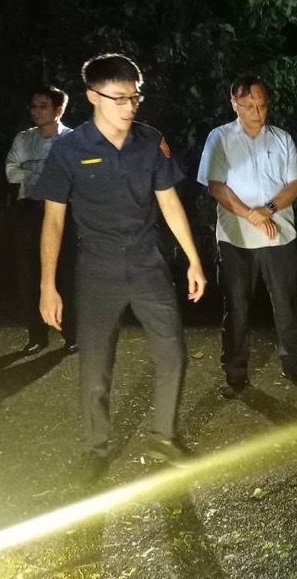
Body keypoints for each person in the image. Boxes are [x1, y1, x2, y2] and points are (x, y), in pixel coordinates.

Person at [35, 54, 206, 483]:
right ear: (93, 97)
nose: (131, 107)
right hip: (98, 267)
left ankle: (163, 437)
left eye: (135, 97)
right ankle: (95, 448)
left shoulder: (150, 141)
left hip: (148, 261)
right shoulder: (68, 150)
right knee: (95, 365)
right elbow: (53, 220)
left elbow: (169, 201)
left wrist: (193, 259)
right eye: (120, 99)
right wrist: (47, 286)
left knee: (173, 354)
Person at [197, 76, 297, 394]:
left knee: (286, 304)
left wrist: (269, 209)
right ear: (234, 104)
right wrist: (250, 214)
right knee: (236, 306)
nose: (256, 112)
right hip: (235, 238)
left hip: (279, 235)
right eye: (248, 106)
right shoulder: (219, 138)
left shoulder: (281, 139)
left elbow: (295, 185)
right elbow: (216, 185)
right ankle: (235, 371)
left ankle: (293, 363)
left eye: (261, 105)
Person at [5, 84, 76, 354]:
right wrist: (44, 170)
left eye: (42, 106)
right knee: (28, 273)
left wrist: (33, 167)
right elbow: (12, 171)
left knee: (67, 273)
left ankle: (72, 333)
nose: (36, 111)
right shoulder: (24, 139)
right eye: (33, 106)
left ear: (58, 110)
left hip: (65, 213)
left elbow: (76, 176)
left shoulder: (72, 140)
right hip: (31, 209)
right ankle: (36, 335)